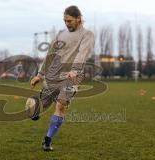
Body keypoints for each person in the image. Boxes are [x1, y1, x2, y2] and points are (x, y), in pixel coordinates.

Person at [29, 5, 94, 151]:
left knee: (61, 105)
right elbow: (50, 55)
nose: (66, 23)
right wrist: (40, 74)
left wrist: (75, 70)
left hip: (72, 77)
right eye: (65, 21)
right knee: (43, 106)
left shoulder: (87, 35)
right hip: (53, 75)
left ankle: (47, 140)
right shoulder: (60, 34)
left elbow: (82, 53)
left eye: (69, 21)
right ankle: (34, 110)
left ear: (78, 19)